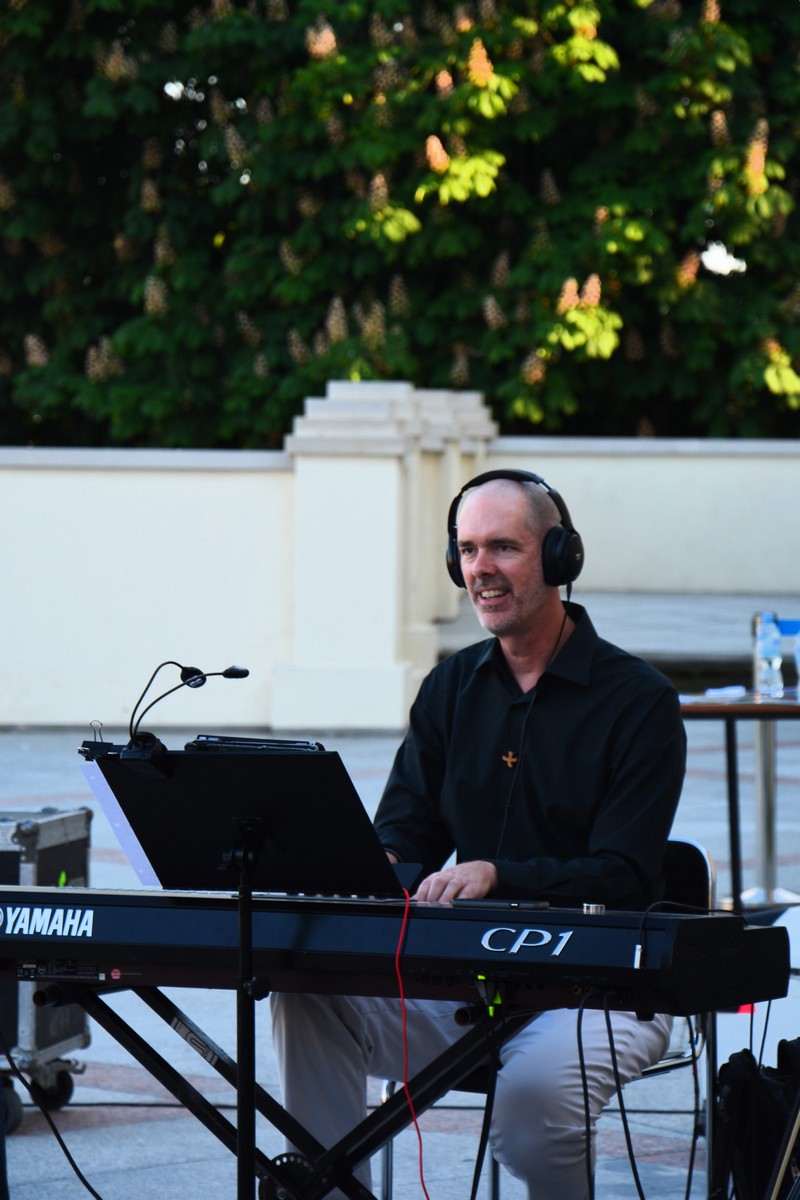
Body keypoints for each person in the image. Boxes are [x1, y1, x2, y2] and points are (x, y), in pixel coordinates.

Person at [271, 469, 687, 1199]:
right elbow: (405, 831)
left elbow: (623, 873)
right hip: (467, 979)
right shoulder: (448, 687)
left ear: (559, 557)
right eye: (466, 550)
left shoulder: (640, 701)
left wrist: (498, 873)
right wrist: (366, 865)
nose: (480, 569)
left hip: (603, 988)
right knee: (306, 995)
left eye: (503, 547)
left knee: (534, 1107)